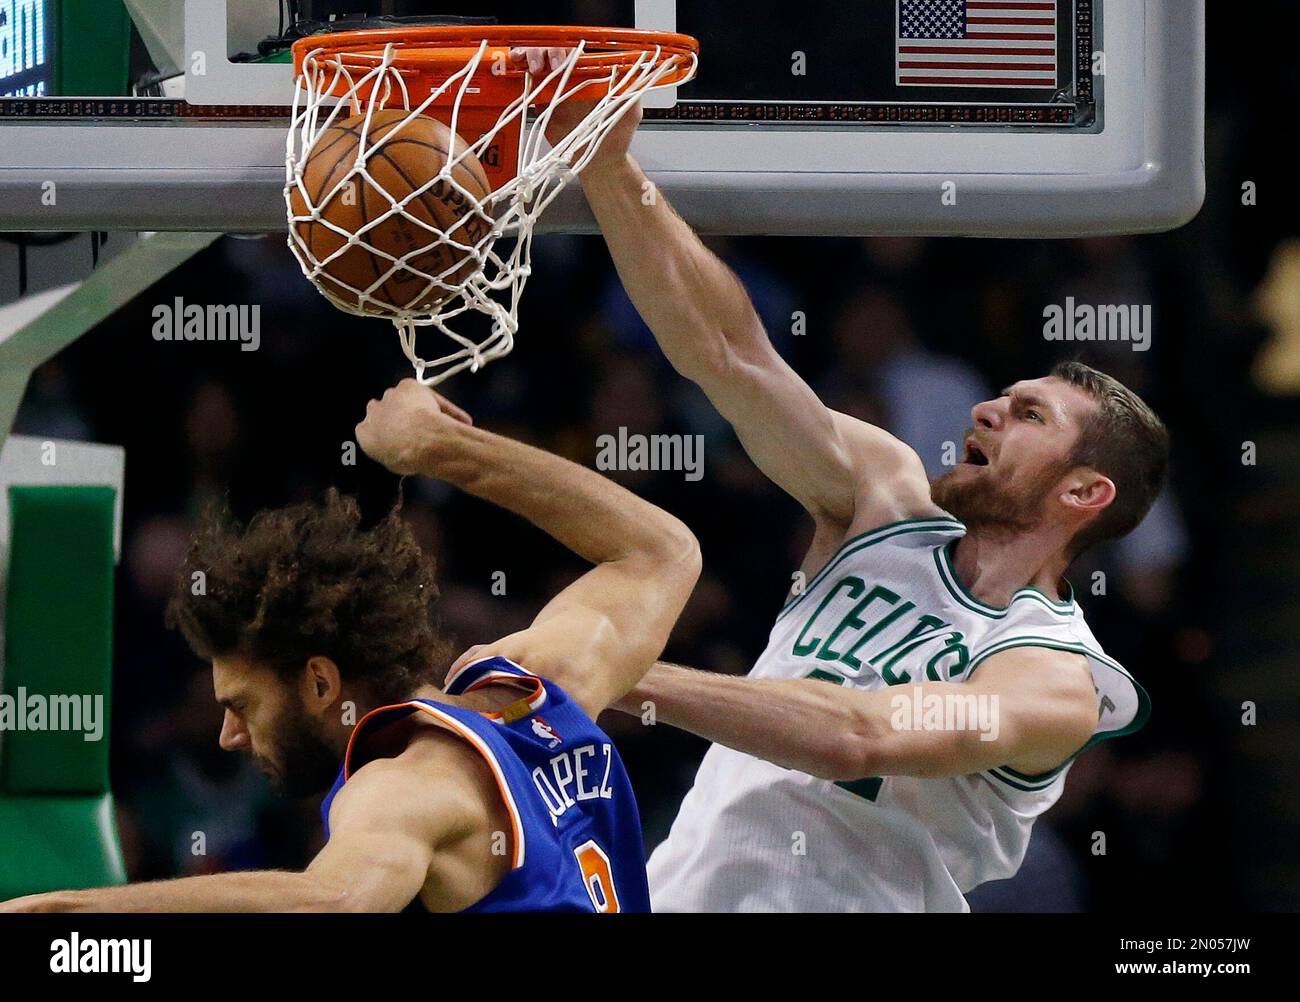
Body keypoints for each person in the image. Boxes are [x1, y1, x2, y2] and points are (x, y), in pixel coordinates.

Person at [515, 47, 1168, 912]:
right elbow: (728, 353)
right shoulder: (882, 502)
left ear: (1085, 493)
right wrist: (605, 160)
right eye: (1002, 399)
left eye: (1029, 416)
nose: (985, 413)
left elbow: (861, 736)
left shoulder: (1057, 683)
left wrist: (616, 672)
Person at [0, 380, 699, 912]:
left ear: (321, 683)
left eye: (242, 703)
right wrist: (440, 448)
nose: (229, 737)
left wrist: (62, 909)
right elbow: (660, 553)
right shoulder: (535, 689)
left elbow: (332, 901)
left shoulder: (403, 789)